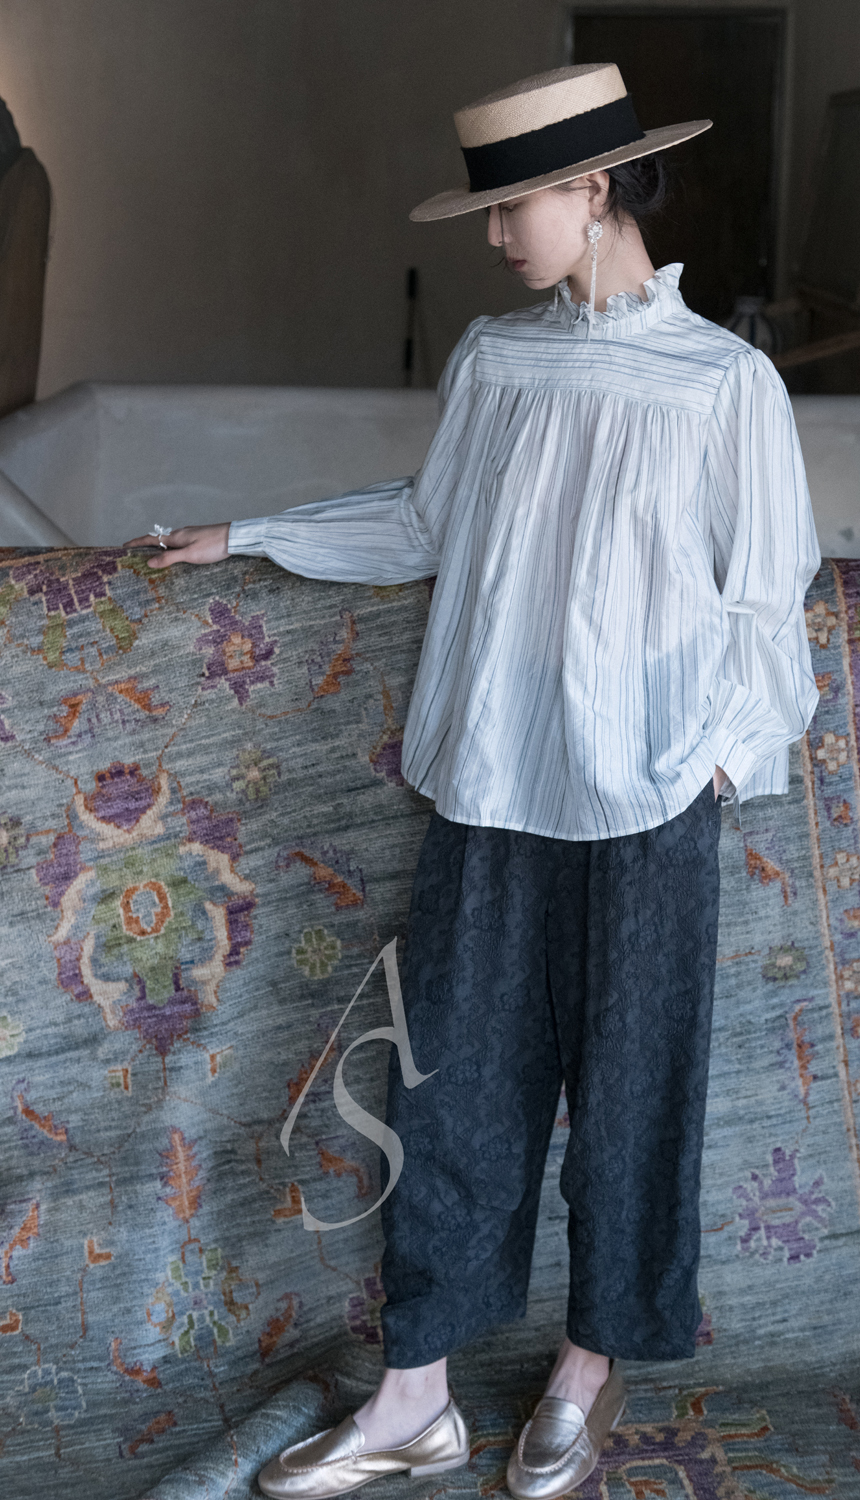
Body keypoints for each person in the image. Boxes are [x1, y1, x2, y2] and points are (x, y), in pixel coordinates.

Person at [126, 62, 820, 1500]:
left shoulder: (725, 385)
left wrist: (713, 764)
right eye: (488, 210)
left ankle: (589, 1365)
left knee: (634, 1094)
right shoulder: (498, 362)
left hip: (649, 801)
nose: (497, 236)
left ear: (596, 188)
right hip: (493, 783)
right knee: (450, 1089)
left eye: (515, 205)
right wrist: (250, 534)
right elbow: (424, 524)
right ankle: (415, 1399)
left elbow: (769, 605)